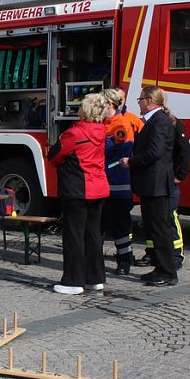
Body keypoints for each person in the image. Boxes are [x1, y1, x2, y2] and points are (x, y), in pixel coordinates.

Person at [48, 93, 110, 295]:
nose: (78, 110)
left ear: (87, 110)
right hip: (98, 188)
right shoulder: (101, 130)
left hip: (77, 189)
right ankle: (95, 278)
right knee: (93, 234)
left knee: (74, 235)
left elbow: (54, 155)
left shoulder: (74, 133)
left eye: (81, 106)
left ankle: (73, 281)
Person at [119, 86, 178, 287]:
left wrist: (132, 162)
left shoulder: (159, 121)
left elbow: (154, 152)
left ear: (150, 100)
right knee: (154, 229)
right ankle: (160, 268)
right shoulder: (154, 121)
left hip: (157, 185)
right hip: (151, 184)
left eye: (141, 99)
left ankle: (168, 272)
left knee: (160, 230)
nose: (139, 103)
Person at [133, 106, 190, 270]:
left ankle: (176, 255)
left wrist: (180, 175)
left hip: (166, 180)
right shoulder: (153, 125)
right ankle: (153, 253)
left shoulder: (171, 124)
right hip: (155, 180)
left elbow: (185, 152)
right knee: (152, 221)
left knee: (169, 218)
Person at [101, 88, 143, 275]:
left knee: (120, 225)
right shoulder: (104, 123)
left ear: (109, 105)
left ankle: (124, 261)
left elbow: (115, 150)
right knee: (98, 225)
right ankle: (94, 260)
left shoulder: (122, 124)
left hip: (118, 183)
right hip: (102, 183)